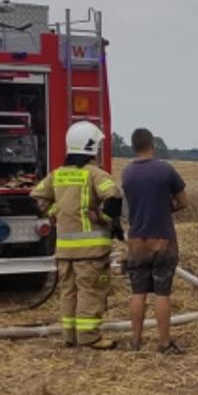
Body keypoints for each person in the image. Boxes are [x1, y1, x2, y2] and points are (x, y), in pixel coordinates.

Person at [32, 122, 123, 349]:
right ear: (90, 147)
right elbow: (114, 197)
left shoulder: (57, 175)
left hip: (64, 249)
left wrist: (57, 212)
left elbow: (36, 198)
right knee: (91, 292)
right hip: (91, 250)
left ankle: (70, 336)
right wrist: (102, 217)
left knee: (69, 292)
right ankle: (89, 336)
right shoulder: (95, 174)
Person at [120, 127, 187, 353]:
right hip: (163, 239)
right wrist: (168, 207)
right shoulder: (165, 170)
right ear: (152, 144)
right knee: (162, 293)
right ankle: (164, 342)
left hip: (137, 239)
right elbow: (183, 201)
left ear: (133, 146)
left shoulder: (127, 173)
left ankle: (136, 341)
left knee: (137, 292)